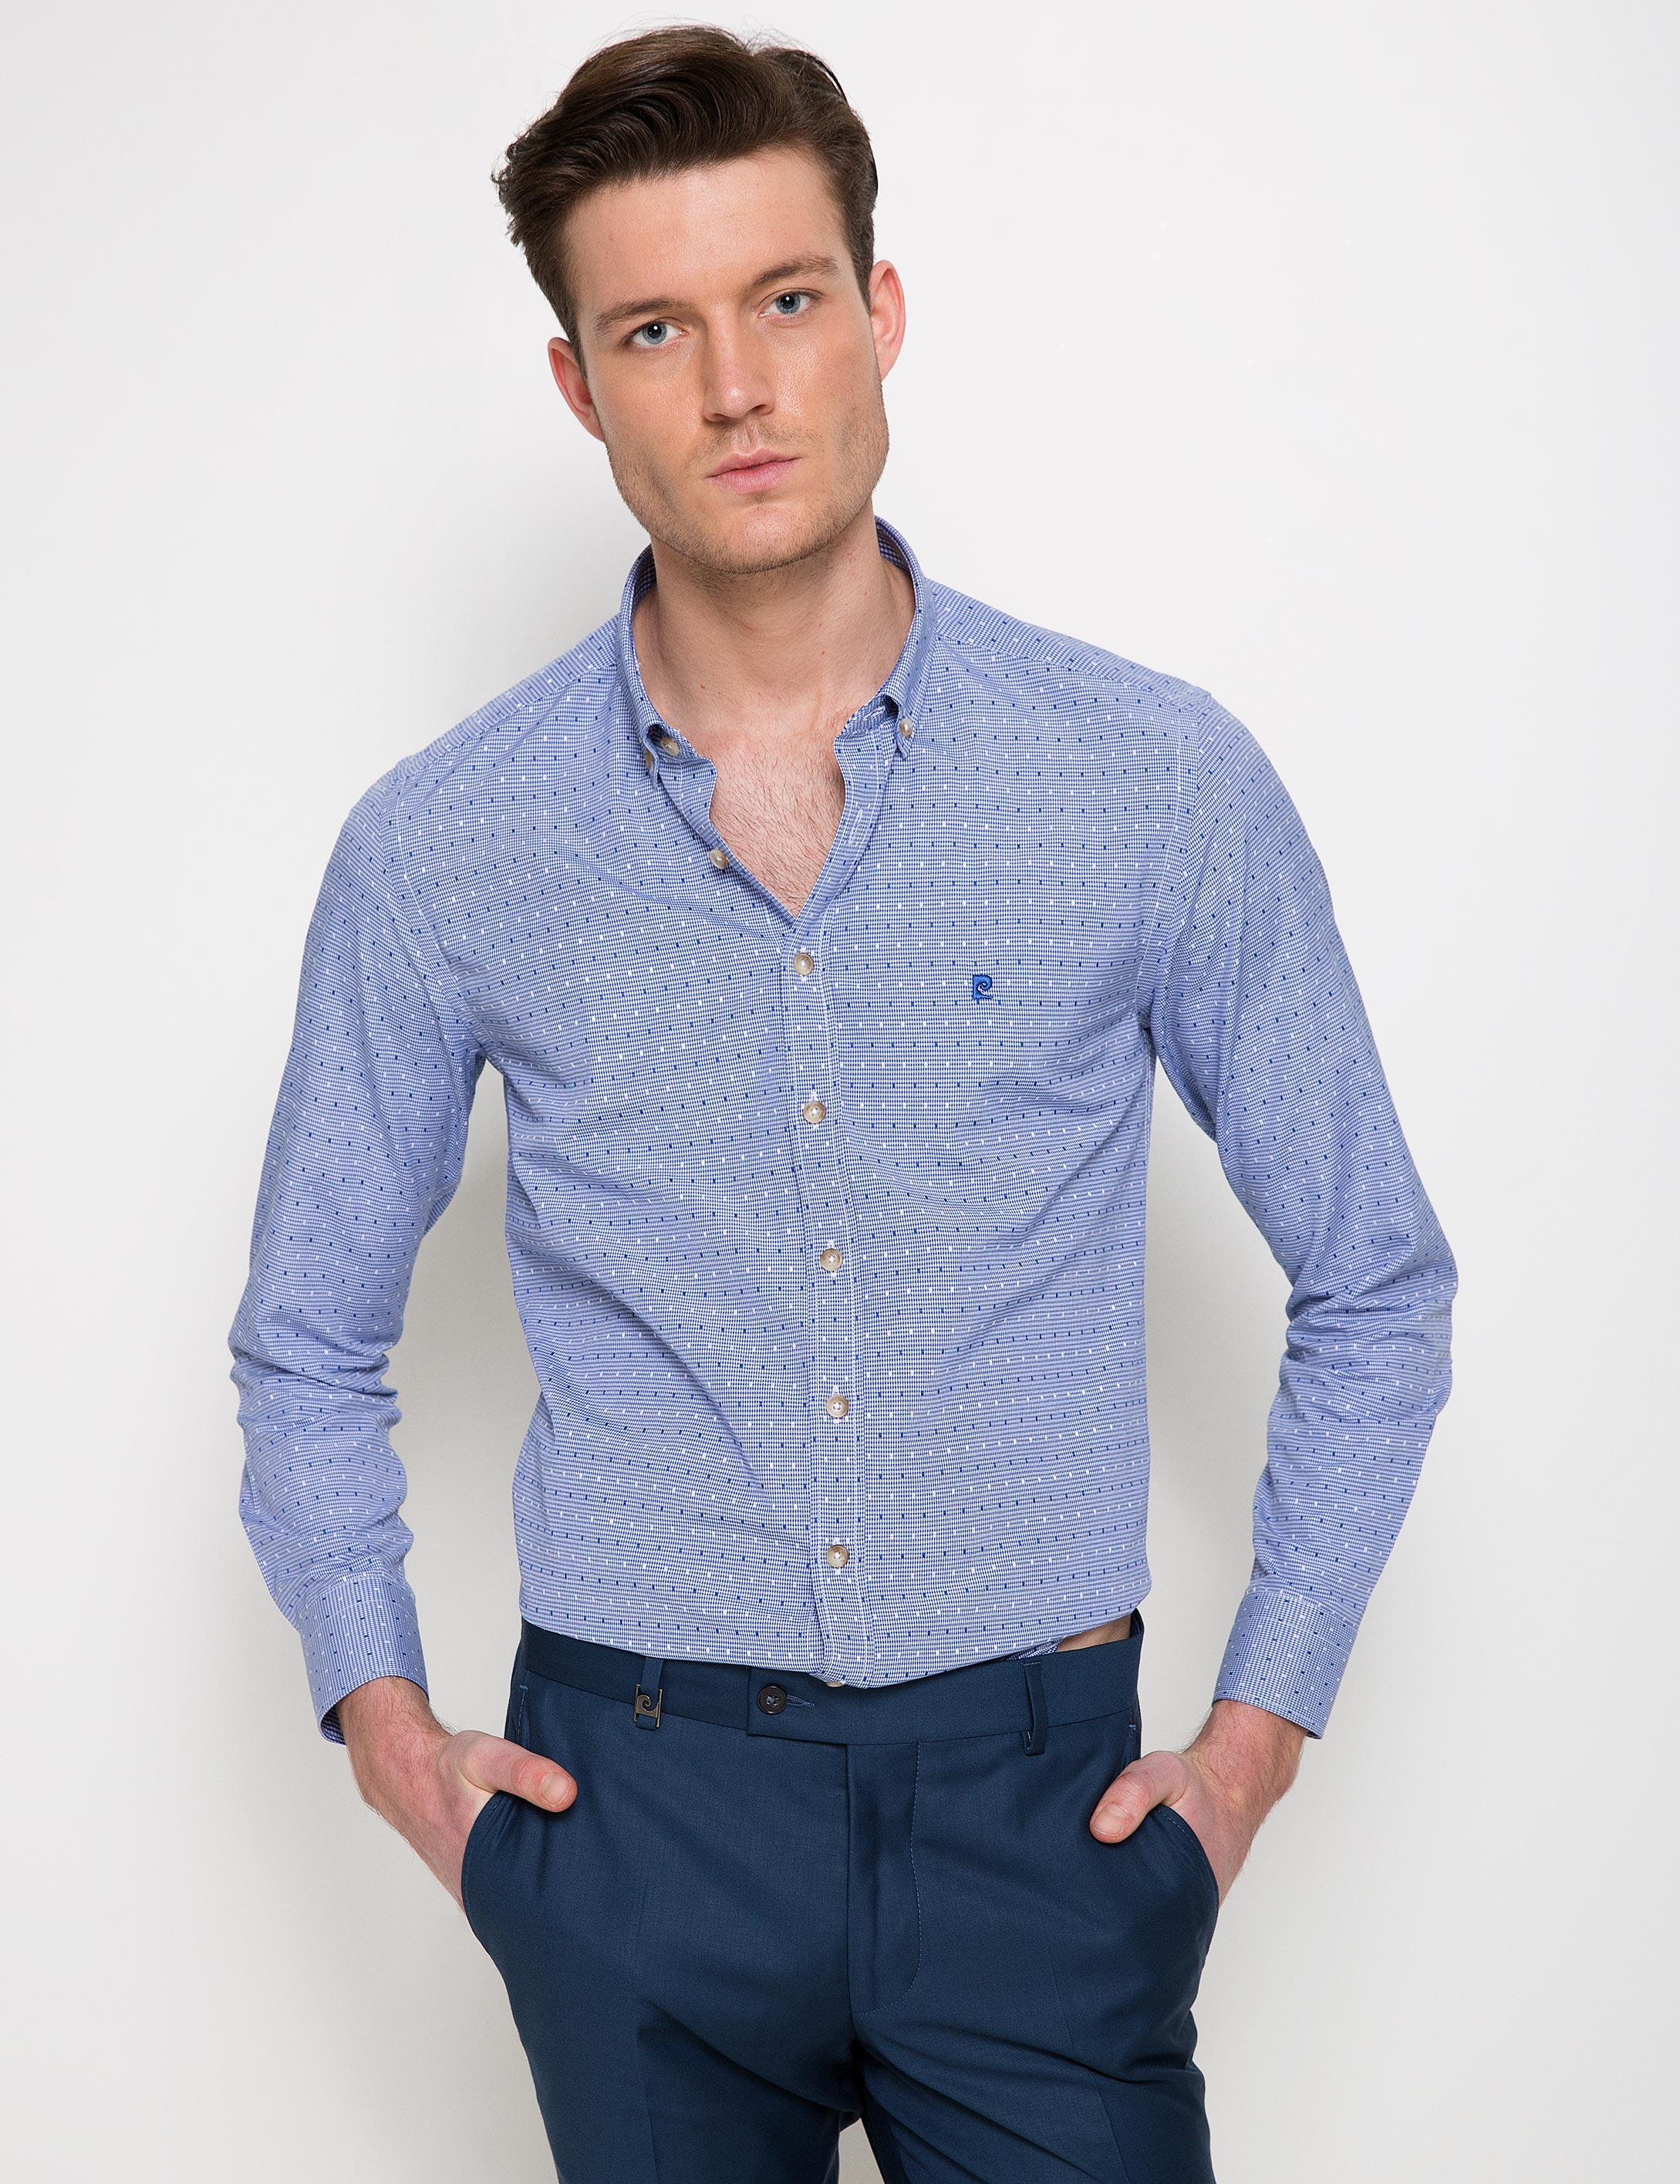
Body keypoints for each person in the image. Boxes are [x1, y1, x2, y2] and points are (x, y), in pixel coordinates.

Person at [229, 25, 1456, 2182]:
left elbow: (1377, 1279)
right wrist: (395, 1740)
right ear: (577, 386)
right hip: (635, 1815)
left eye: (785, 299)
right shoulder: (444, 848)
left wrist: (1250, 1747)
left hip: (1041, 1814)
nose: (735, 386)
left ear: (880, 313)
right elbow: (304, 1341)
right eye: (654, 329)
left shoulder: (1150, 783)